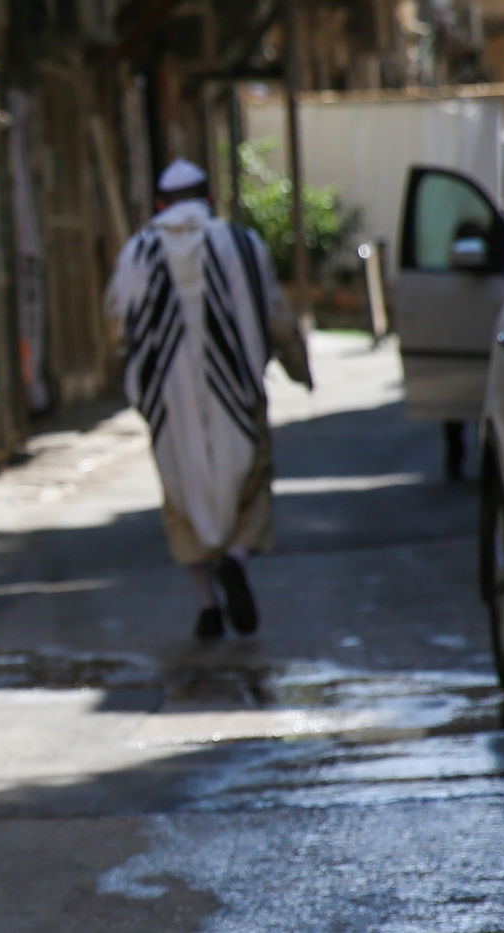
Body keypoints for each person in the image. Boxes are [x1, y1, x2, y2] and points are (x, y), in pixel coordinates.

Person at [105, 158, 313, 641]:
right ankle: (236, 557)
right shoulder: (242, 243)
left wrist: (129, 379)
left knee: (182, 495)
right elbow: (276, 314)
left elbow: (116, 326)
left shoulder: (137, 251)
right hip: (239, 391)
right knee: (250, 482)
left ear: (161, 204)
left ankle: (207, 606)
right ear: (209, 197)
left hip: (169, 401)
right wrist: (299, 368)